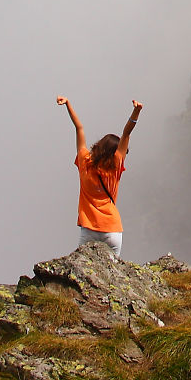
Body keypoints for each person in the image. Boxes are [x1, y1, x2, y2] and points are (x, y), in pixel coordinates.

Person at [56, 95, 143, 259]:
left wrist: (68, 104)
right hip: (112, 230)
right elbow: (126, 133)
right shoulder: (115, 167)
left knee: (82, 268)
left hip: (89, 228)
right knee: (113, 270)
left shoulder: (85, 163)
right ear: (115, 152)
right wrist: (136, 111)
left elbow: (79, 128)